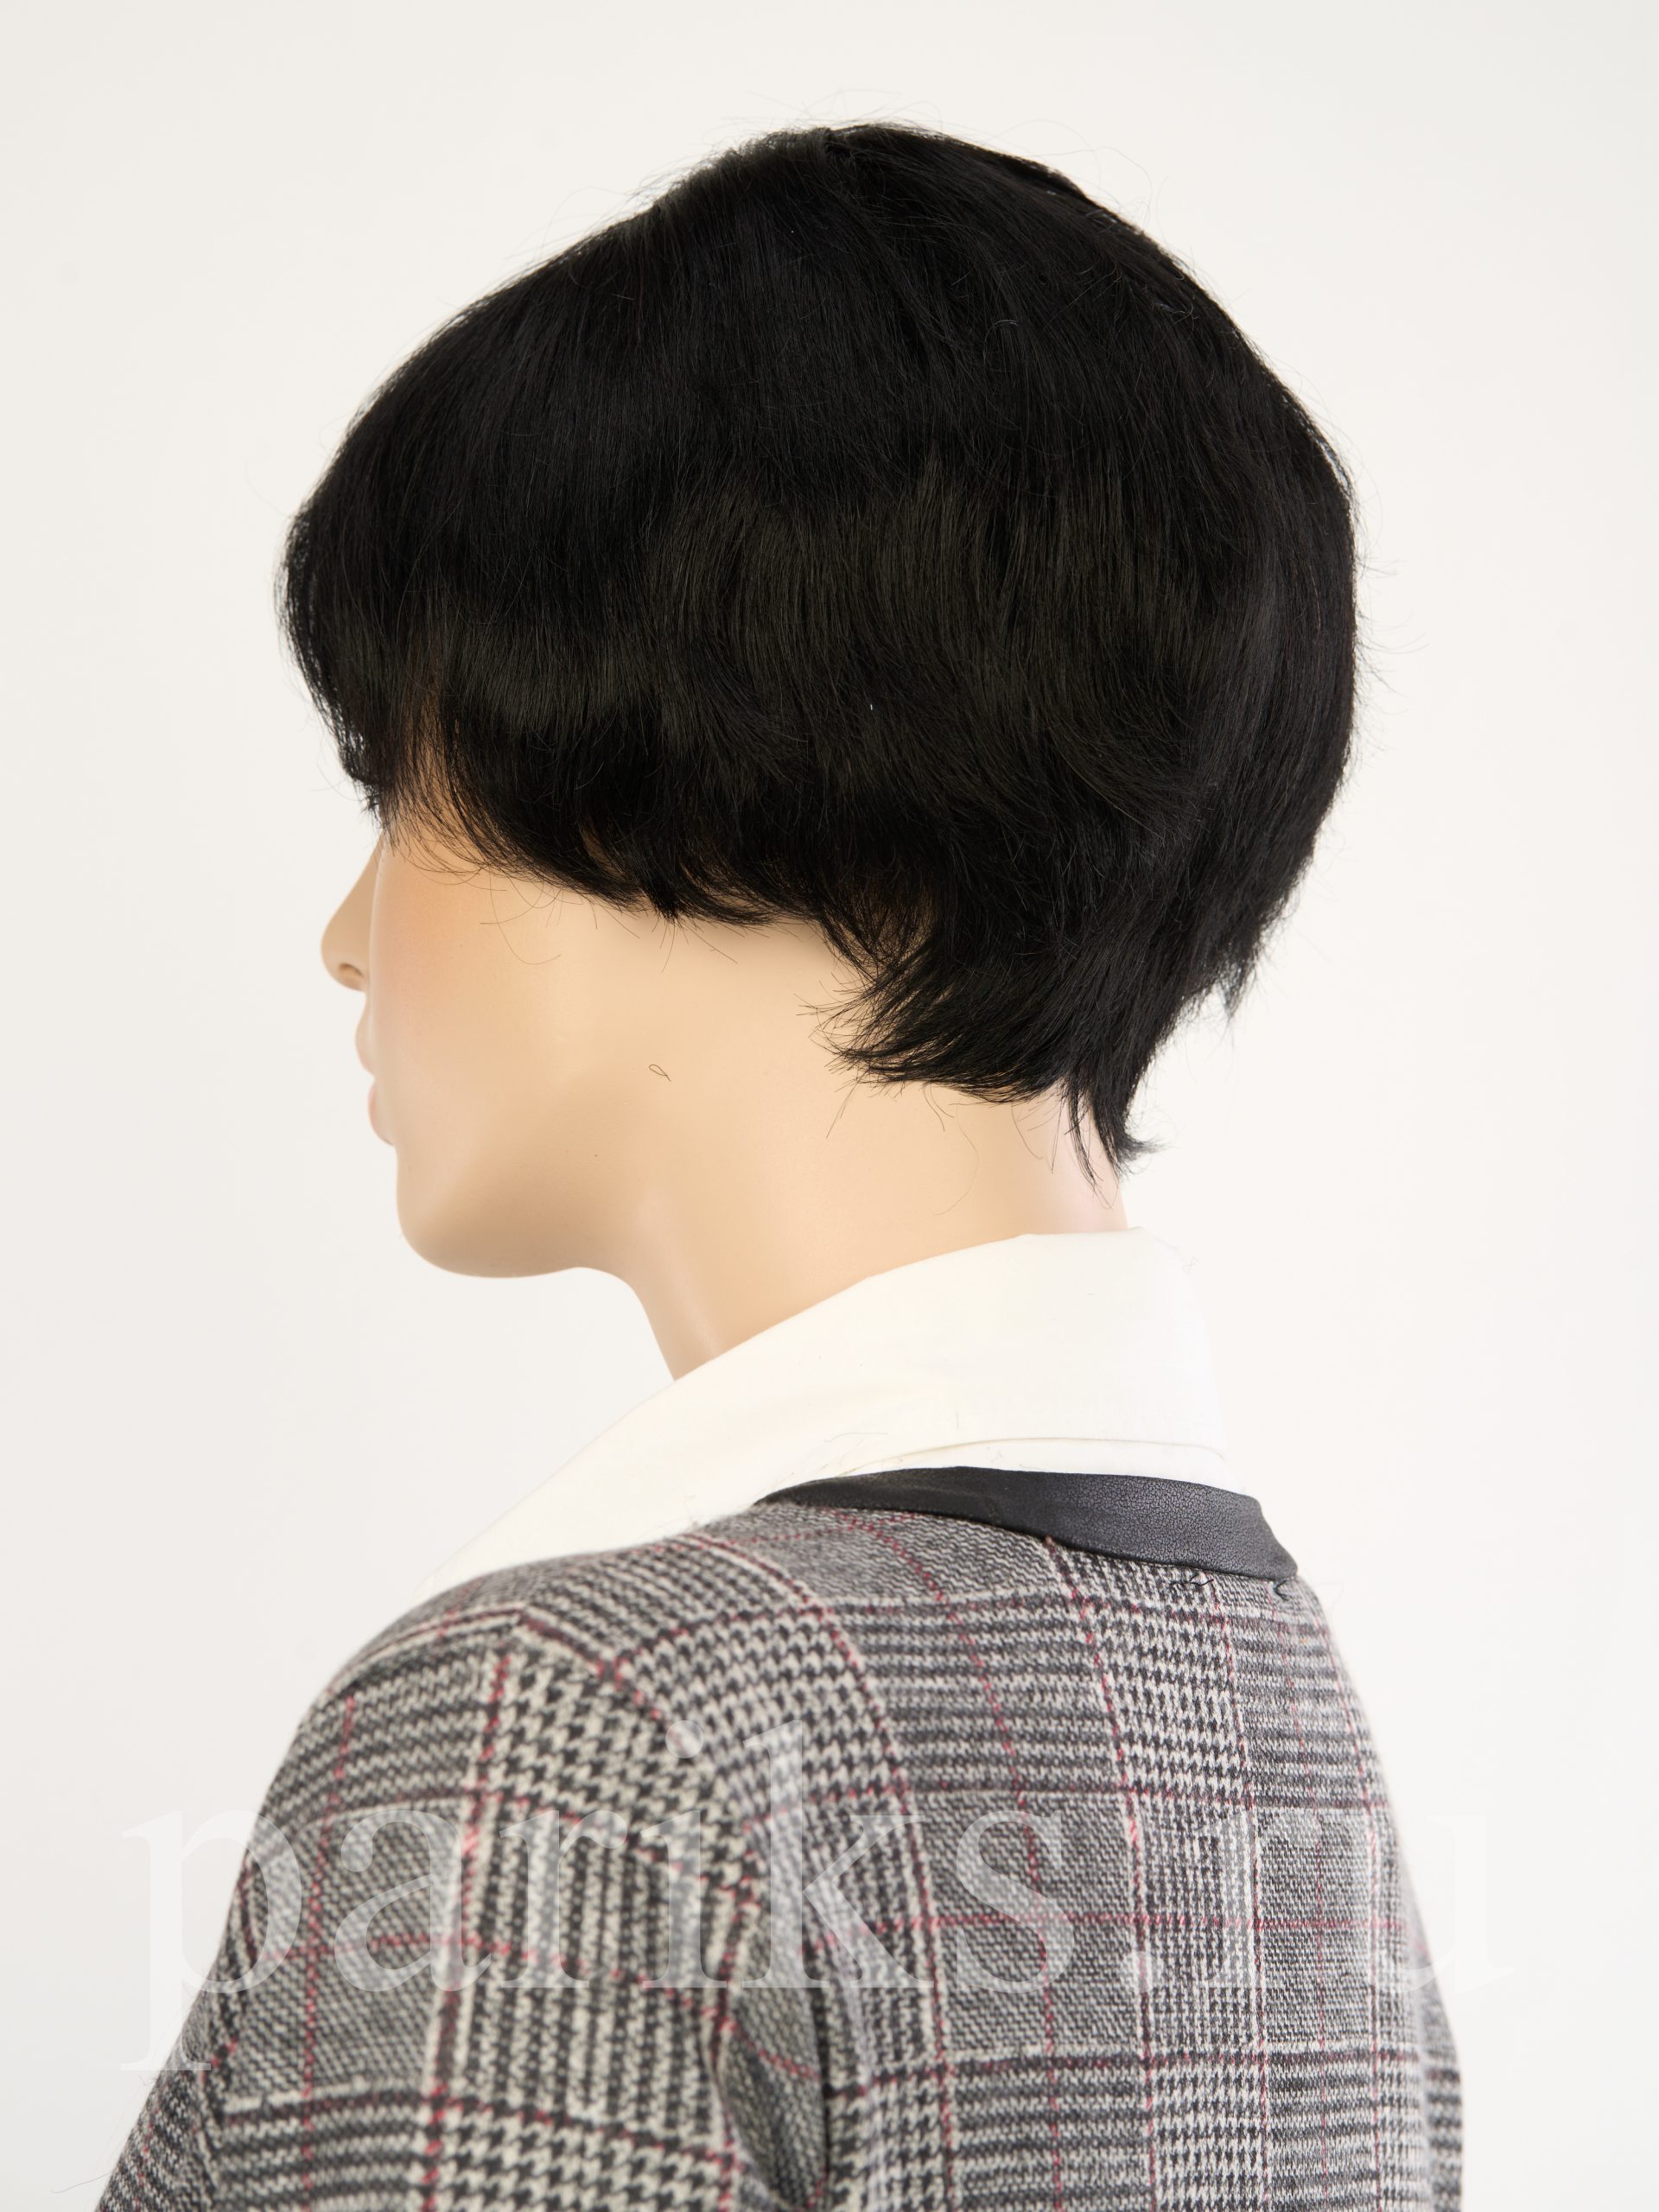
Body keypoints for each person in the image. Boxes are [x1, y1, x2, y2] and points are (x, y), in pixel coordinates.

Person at [98, 119, 1460, 2209]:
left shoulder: (564, 1726)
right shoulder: (1263, 1694)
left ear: (720, 789)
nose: (351, 933)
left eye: (403, 783)